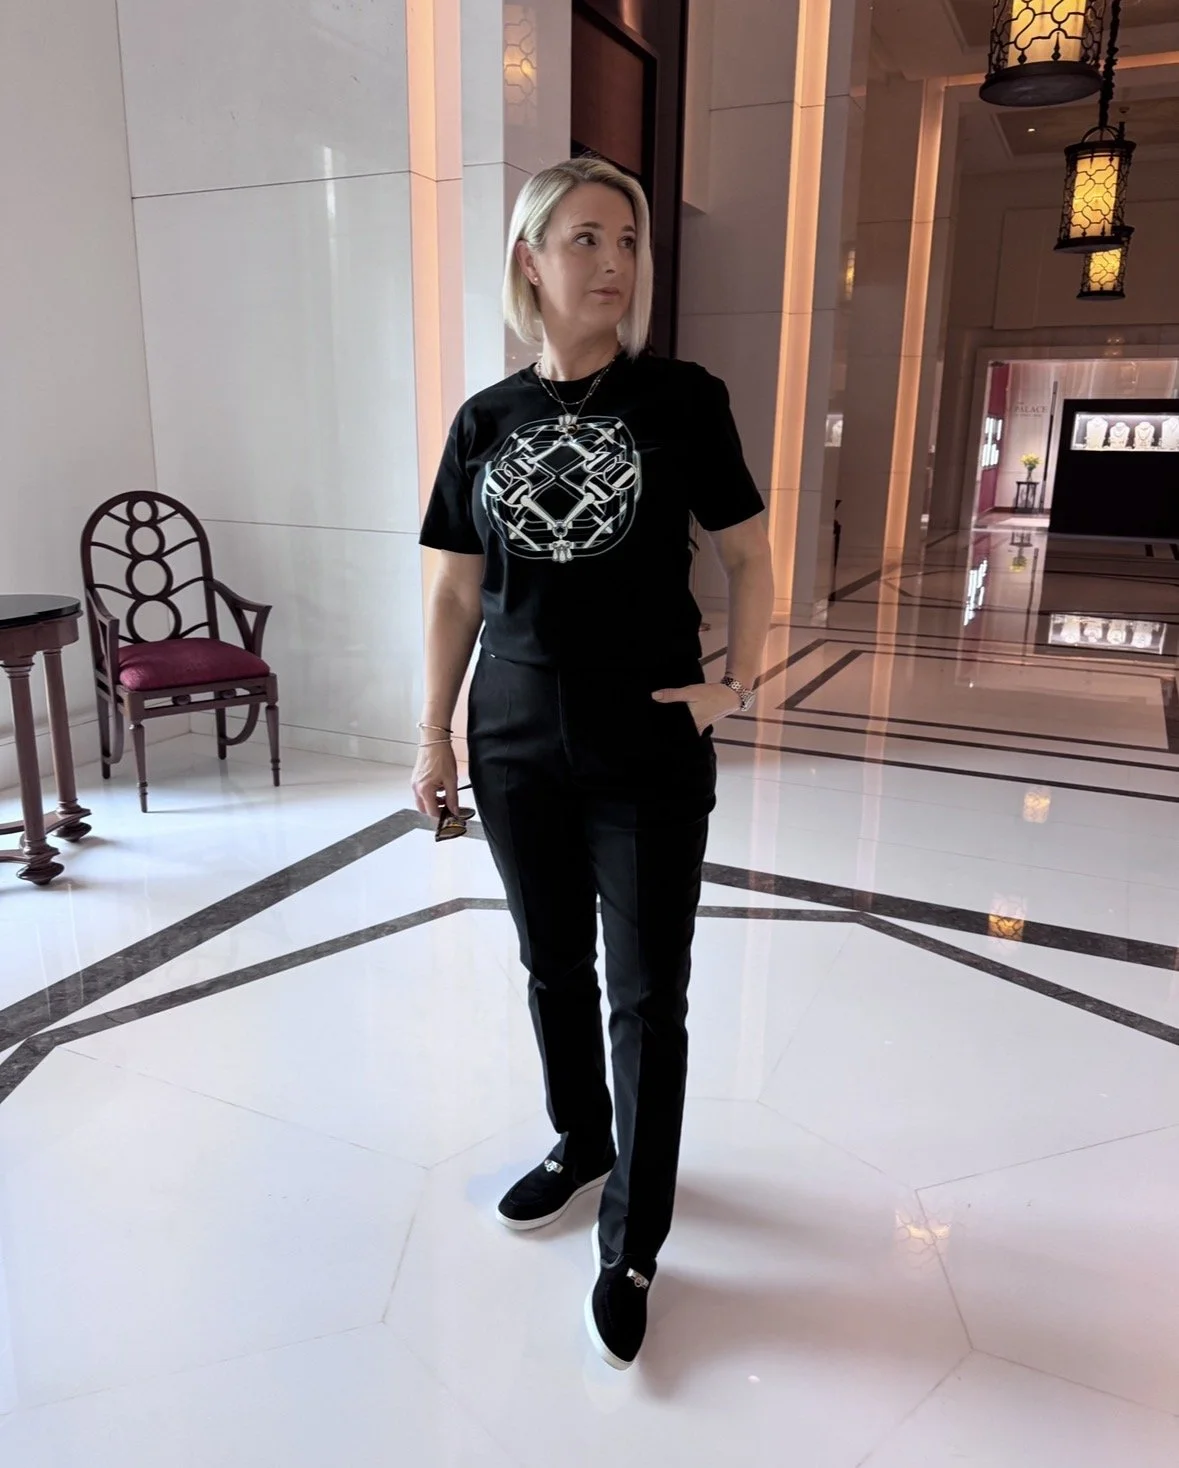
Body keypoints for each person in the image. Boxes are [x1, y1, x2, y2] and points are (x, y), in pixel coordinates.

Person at [413, 156, 774, 1370]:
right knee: (552, 962)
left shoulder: (684, 399)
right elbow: (453, 592)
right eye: (585, 239)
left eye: (627, 240)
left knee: (647, 992)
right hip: (513, 730)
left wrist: (735, 684)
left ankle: (633, 1244)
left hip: (647, 730)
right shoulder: (485, 420)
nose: (614, 261)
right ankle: (583, 1139)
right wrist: (433, 732)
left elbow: (749, 557)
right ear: (530, 259)